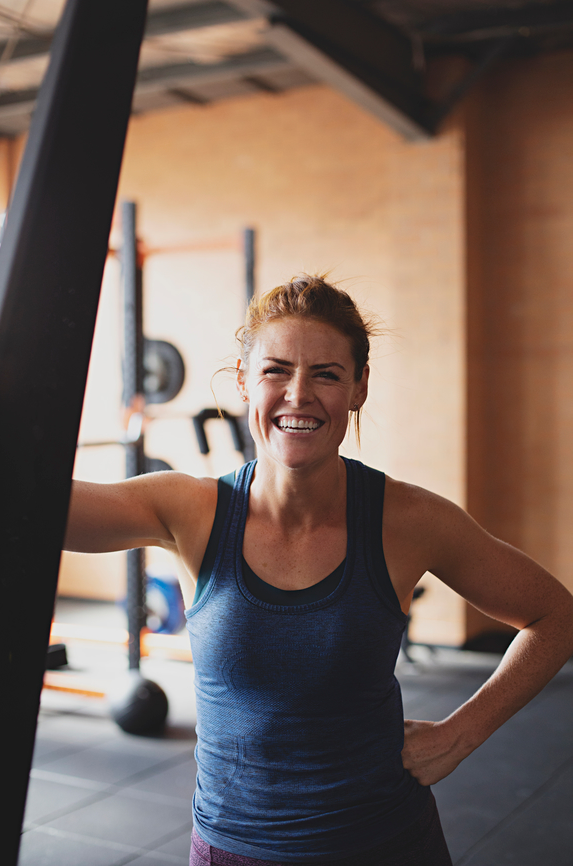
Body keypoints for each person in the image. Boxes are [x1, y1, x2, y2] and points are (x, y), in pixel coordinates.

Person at [65, 275, 573, 866]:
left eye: (327, 374)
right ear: (243, 381)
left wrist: (462, 734)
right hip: (234, 850)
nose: (298, 394)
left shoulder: (409, 519)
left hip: (386, 843)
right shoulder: (191, 511)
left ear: (358, 387)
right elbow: (41, 508)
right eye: (276, 369)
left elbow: (555, 614)